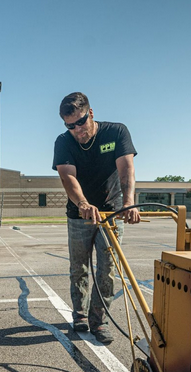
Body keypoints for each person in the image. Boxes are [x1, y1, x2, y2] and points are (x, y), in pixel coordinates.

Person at [52, 92, 141, 344]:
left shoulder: (116, 132)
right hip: (79, 215)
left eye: (80, 122)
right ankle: (80, 315)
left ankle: (99, 321)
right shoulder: (63, 142)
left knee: (107, 270)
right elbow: (68, 177)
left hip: (111, 213)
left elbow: (126, 168)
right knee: (78, 268)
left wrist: (128, 203)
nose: (77, 130)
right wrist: (82, 203)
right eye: (70, 125)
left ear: (91, 113)